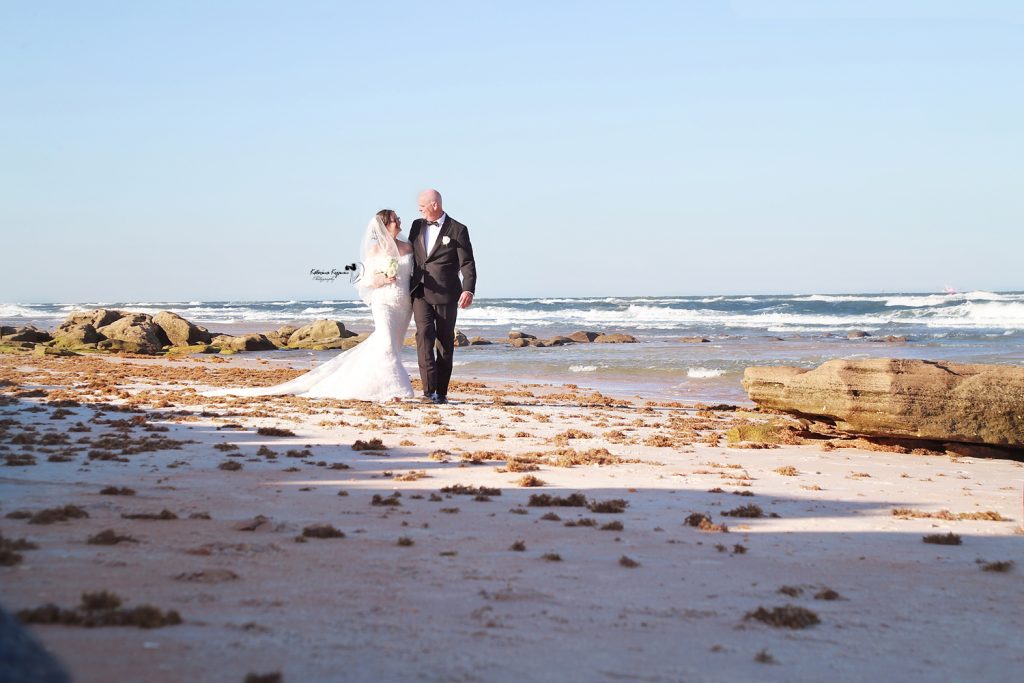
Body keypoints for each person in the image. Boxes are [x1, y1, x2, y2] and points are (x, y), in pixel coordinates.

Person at [200, 210, 415, 402]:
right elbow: (364, 279)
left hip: (403, 304)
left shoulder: (408, 247)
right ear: (386, 226)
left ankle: (374, 384)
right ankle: (396, 390)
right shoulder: (375, 251)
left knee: (391, 346)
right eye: (395, 219)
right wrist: (381, 279)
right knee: (386, 342)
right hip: (383, 302)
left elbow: (415, 274)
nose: (399, 221)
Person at [407, 189, 477, 404]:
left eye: (422, 206)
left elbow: (467, 263)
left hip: (447, 294)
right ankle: (428, 393)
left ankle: (442, 392)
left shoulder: (458, 229)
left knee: (444, 344)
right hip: (419, 291)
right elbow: (409, 255)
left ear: (434, 204)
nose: (419, 210)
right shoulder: (416, 225)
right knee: (423, 337)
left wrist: (468, 289)